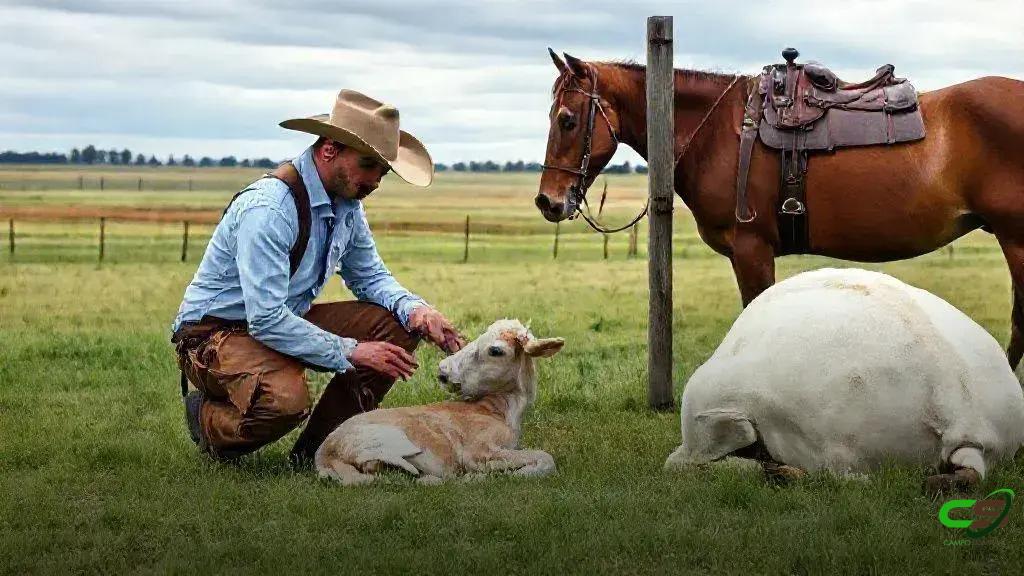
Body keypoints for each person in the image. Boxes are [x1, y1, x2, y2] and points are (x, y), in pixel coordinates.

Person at [171, 89, 464, 466]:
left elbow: (369, 276)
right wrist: (351, 350)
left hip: (277, 320)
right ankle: (208, 421)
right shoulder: (270, 209)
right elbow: (265, 319)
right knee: (286, 400)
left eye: (383, 171)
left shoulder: (347, 203)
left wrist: (418, 311)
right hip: (212, 334)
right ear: (329, 150)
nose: (375, 181)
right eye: (368, 165)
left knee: (397, 325)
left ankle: (317, 456)